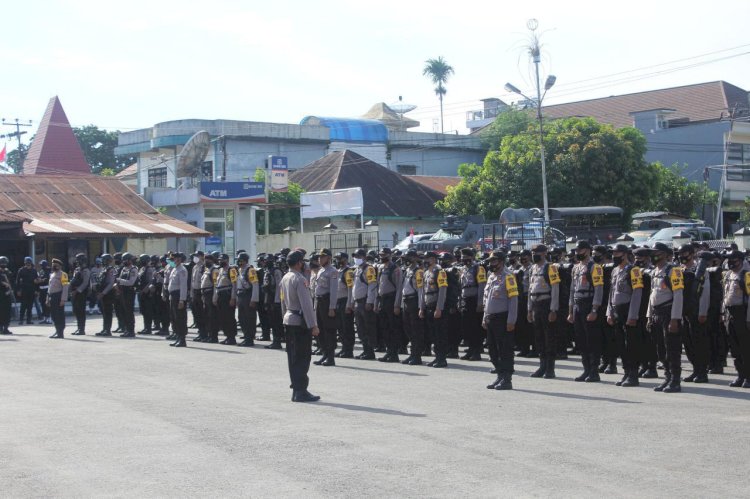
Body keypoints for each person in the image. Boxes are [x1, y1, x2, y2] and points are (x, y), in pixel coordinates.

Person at [279, 250, 320, 403]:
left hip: (289, 319)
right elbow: (307, 305)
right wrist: (313, 325)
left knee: (293, 357)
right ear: (298, 263)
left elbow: (282, 301)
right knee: (303, 357)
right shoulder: (300, 279)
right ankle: (301, 390)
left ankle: (296, 389)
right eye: (302, 262)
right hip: (300, 322)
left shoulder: (285, 277)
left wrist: (284, 316)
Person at [647, 242, 685, 393]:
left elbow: (678, 295)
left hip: (669, 313)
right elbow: (652, 295)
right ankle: (667, 377)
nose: (653, 255)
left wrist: (675, 318)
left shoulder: (673, 271)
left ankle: (675, 380)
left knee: (672, 349)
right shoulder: (655, 271)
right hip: (656, 313)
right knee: (660, 349)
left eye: (655, 252)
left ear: (663, 254)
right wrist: (649, 316)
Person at [606, 244, 643, 387]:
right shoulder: (615, 270)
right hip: (616, 310)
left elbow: (637, 293)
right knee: (620, 344)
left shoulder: (634, 270)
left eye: (618, 253)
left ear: (625, 254)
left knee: (631, 344)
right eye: (613, 253)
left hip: (628, 310)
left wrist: (633, 315)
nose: (615, 256)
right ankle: (626, 372)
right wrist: (609, 312)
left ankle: (633, 375)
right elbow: (611, 292)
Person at [567, 241, 605, 383]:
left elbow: (598, 289)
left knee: (592, 340)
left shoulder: (594, 268)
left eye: (580, 250)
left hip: (589, 304)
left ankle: (594, 371)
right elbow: (572, 290)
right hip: (577, 305)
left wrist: (595, 309)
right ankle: (586, 369)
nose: (578, 253)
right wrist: (570, 311)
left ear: (588, 251)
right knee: (581, 340)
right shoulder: (576, 268)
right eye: (576, 250)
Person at [483, 250, 519, 390]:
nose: (491, 264)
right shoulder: (491, 276)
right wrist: (484, 316)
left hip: (503, 318)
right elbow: (486, 299)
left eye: (494, 261)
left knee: (505, 349)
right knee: (492, 349)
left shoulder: (508, 277)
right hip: (491, 318)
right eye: (491, 261)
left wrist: (511, 320)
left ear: (502, 262)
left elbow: (513, 299)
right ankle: (499, 375)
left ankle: (507, 378)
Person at [678, 244, 711, 384]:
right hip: (684, 311)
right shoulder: (679, 270)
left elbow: (705, 292)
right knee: (688, 343)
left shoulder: (700, 269)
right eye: (679, 253)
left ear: (691, 254)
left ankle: (702, 372)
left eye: (684, 253)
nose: (681, 256)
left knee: (699, 342)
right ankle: (695, 370)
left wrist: (702, 312)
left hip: (696, 311)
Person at [527, 244, 560, 379]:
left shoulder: (551, 268)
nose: (535, 255)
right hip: (535, 304)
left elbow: (555, 289)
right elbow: (530, 290)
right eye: (533, 252)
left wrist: (553, 309)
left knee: (549, 338)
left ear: (544, 253)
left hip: (546, 304)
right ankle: (542, 366)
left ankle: (550, 369)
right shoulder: (532, 268)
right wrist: (529, 309)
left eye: (538, 252)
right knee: (539, 338)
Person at [721, 250, 750, 388]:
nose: (730, 262)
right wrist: (723, 313)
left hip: (742, 314)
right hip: (729, 313)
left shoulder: (747, 274)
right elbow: (725, 295)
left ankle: (748, 377)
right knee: (734, 348)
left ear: (740, 259)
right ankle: (740, 375)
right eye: (728, 259)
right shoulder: (728, 274)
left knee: (745, 347)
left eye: (733, 259)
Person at [421, 251, 449, 368]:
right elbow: (423, 291)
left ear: (433, 259)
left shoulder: (439, 271)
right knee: (432, 334)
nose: (425, 261)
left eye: (427, 259)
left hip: (436, 306)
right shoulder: (426, 272)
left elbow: (442, 290)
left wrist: (439, 308)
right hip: (428, 305)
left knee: (439, 334)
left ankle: (442, 358)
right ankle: (437, 357)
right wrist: (422, 307)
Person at [375, 247, 403, 363]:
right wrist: (376, 303)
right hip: (382, 300)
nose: (382, 257)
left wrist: (397, 305)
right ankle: (388, 351)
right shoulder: (381, 268)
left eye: (384, 255)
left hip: (391, 299)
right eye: (381, 255)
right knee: (384, 327)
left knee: (393, 328)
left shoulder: (395, 269)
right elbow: (378, 287)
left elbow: (399, 288)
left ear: (390, 255)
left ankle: (394, 353)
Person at [459, 247, 487, 361]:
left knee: (475, 328)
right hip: (466, 299)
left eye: (466, 257)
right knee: (467, 327)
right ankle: (470, 350)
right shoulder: (463, 269)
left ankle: (476, 351)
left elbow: (482, 286)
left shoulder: (478, 268)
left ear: (472, 257)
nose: (463, 259)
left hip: (475, 300)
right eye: (462, 257)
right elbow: (461, 286)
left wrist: (480, 303)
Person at [312, 248, 338, 366]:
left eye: (322, 257)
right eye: (319, 257)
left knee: (329, 330)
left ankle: (331, 357)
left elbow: (333, 291)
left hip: (327, 302)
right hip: (319, 301)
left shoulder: (332, 271)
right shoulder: (321, 270)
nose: (319, 259)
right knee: (320, 330)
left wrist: (332, 307)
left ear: (328, 258)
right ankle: (324, 354)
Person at [351, 248, 378, 360]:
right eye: (355, 257)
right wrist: (352, 301)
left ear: (364, 257)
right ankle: (365, 350)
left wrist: (369, 301)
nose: (356, 259)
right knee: (360, 328)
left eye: (359, 257)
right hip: (358, 302)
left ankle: (370, 352)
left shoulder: (369, 269)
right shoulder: (357, 270)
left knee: (368, 328)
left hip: (364, 302)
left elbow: (372, 286)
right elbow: (354, 287)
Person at [400, 249, 425, 365]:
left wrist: (421, 307)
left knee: (416, 330)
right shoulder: (407, 270)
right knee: (408, 329)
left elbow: (420, 290)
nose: (406, 260)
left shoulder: (418, 271)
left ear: (414, 258)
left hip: (414, 301)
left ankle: (417, 356)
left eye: (408, 257)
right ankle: (412, 354)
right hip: (406, 301)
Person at [213, 253, 238, 345]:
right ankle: (227, 336)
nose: (220, 261)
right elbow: (217, 285)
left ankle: (232, 337)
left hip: (227, 296)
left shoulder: (232, 270)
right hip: (220, 295)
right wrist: (215, 297)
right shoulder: (220, 270)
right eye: (219, 260)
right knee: (222, 317)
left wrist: (233, 298)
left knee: (229, 317)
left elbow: (234, 285)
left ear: (227, 260)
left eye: (222, 260)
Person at [334, 252, 355, 358]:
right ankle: (343, 348)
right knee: (340, 327)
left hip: (345, 301)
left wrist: (349, 304)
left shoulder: (348, 271)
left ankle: (348, 350)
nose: (338, 260)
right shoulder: (338, 271)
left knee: (347, 327)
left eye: (340, 258)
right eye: (337, 258)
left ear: (345, 259)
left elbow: (350, 289)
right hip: (338, 302)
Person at [236, 253, 260, 347]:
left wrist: (254, 299)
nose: (239, 262)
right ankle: (246, 336)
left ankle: (249, 339)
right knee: (241, 318)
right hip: (241, 295)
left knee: (249, 318)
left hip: (248, 296)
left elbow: (255, 285)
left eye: (240, 260)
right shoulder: (240, 270)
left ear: (244, 260)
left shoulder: (250, 270)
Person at [168, 252, 189, 347]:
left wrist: (182, 300)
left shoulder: (182, 270)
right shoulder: (175, 269)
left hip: (178, 296)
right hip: (173, 295)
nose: (173, 260)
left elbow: (183, 286)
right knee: (174, 318)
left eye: (175, 258)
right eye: (173, 258)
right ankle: (177, 337)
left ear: (179, 259)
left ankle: (182, 340)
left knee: (180, 318)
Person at [116, 253, 138, 338]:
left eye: (125, 260)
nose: (123, 261)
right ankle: (126, 329)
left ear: (129, 260)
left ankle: (131, 330)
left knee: (129, 312)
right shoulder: (124, 269)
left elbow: (131, 282)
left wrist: (119, 280)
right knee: (123, 312)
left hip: (129, 293)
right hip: (122, 292)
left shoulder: (133, 269)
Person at [47, 258, 70, 339]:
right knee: (53, 315)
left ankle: (60, 332)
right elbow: (49, 288)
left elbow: (65, 287)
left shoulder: (63, 274)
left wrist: (63, 299)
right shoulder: (52, 275)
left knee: (59, 315)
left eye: (55, 265)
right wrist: (47, 299)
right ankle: (57, 330)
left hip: (59, 296)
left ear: (59, 266)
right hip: (52, 296)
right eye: (53, 265)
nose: (53, 266)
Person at [95, 254, 116, 336]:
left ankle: (107, 330)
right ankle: (104, 329)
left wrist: (103, 293)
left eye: (103, 260)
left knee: (108, 312)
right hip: (102, 293)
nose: (102, 261)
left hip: (108, 294)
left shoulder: (111, 270)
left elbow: (111, 283)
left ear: (108, 260)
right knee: (104, 312)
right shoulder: (104, 269)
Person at [70, 253, 91, 335]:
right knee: (76, 311)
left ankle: (81, 329)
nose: (77, 261)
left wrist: (77, 291)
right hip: (75, 293)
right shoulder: (77, 269)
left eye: (78, 260)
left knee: (81, 311)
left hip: (81, 293)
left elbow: (85, 283)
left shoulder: (86, 270)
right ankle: (78, 328)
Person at [136, 254, 155, 335]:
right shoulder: (142, 269)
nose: (140, 261)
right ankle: (145, 327)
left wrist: (144, 290)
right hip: (141, 292)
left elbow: (150, 281)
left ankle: (148, 328)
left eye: (141, 260)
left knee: (148, 311)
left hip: (146, 293)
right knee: (143, 311)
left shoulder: (149, 269)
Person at [15, 256, 37, 325]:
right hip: (24, 290)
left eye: (29, 262)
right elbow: (17, 281)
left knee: (30, 306)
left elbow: (37, 280)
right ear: (25, 263)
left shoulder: (34, 270)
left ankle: (29, 320)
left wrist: (37, 290)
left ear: (31, 263)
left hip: (32, 290)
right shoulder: (21, 270)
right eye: (27, 263)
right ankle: (21, 320)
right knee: (23, 306)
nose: (28, 264)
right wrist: (18, 290)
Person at [190, 251, 206, 340]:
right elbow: (192, 282)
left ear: (202, 257)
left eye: (197, 256)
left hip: (201, 292)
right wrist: (192, 294)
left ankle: (204, 333)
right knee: (197, 314)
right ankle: (200, 332)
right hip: (195, 292)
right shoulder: (194, 267)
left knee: (202, 314)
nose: (196, 257)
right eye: (195, 256)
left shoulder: (204, 267)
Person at [0, 256, 14, 334]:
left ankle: (5, 328)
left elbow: (12, 282)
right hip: (1, 294)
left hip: (7, 295)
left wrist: (11, 289)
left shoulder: (8, 272)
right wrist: (2, 283)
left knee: (7, 312)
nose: (3, 265)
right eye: (2, 263)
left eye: (4, 263)